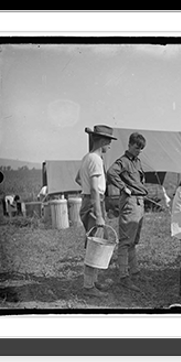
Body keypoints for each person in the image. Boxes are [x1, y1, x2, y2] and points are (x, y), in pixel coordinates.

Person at [75, 125, 117, 298]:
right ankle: (88, 286)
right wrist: (99, 214)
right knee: (96, 244)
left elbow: (77, 178)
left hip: (89, 201)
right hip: (94, 203)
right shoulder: (96, 160)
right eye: (109, 142)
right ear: (103, 141)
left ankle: (93, 281)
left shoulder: (87, 158)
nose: (110, 146)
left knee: (96, 241)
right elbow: (94, 189)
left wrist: (87, 193)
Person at [107, 132, 149, 292]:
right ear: (130, 145)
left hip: (139, 201)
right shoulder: (123, 161)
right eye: (137, 147)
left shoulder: (137, 162)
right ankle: (124, 276)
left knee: (134, 241)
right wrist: (124, 187)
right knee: (125, 241)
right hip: (130, 202)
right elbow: (111, 172)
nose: (139, 150)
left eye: (141, 148)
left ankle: (135, 272)